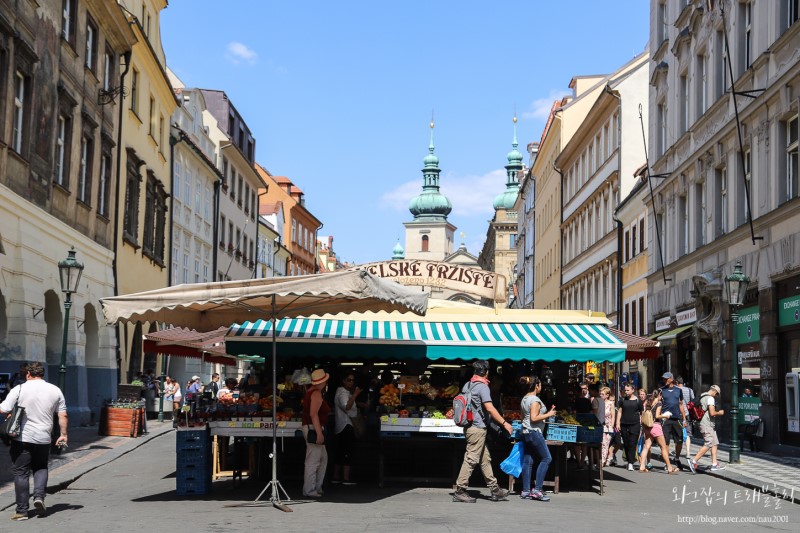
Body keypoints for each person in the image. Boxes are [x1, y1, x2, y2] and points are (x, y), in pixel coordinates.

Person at [0, 361, 67, 521]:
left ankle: (22, 511)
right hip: (44, 437)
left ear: (28, 374)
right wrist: (63, 434)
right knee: (41, 467)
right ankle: (39, 497)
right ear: (42, 374)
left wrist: (10, 414)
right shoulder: (55, 390)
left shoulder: (20, 388)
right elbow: (62, 415)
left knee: (21, 472)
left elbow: (3, 409)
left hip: (22, 437)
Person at [453, 360, 512, 503]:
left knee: (485, 459)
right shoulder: (483, 387)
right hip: (477, 428)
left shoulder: (468, 384)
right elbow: (490, 408)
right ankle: (460, 490)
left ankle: (495, 489)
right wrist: (504, 424)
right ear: (486, 372)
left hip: (470, 427)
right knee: (471, 459)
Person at [518, 376, 554, 501]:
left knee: (528, 460)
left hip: (525, 431)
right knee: (547, 458)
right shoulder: (534, 400)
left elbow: (522, 418)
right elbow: (533, 418)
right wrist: (548, 414)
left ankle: (526, 490)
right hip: (534, 432)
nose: (541, 387)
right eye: (540, 385)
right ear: (536, 386)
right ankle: (537, 489)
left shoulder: (524, 399)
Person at [302, 369, 331, 498]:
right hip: (313, 428)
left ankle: (316, 487)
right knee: (313, 460)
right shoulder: (316, 393)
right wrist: (319, 433)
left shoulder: (310, 391)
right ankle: (310, 489)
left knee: (322, 458)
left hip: (311, 427)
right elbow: (313, 414)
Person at [688, 385, 726, 473]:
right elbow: (712, 413)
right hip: (707, 424)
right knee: (708, 443)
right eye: (717, 395)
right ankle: (693, 461)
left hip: (705, 424)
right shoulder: (710, 399)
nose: (716, 397)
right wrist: (719, 413)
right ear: (715, 392)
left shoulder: (702, 395)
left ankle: (714, 464)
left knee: (714, 442)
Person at [639, 389, 678, 474]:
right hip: (656, 426)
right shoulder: (659, 403)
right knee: (663, 447)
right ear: (659, 395)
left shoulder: (649, 402)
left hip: (648, 427)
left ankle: (642, 466)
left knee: (646, 447)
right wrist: (665, 415)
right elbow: (657, 415)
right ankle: (669, 467)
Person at [332, 373, 361, 485]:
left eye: (353, 380)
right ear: (343, 381)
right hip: (346, 425)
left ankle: (336, 476)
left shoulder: (344, 393)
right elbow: (346, 406)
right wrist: (355, 395)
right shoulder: (342, 393)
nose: (351, 382)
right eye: (349, 380)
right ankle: (346, 478)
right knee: (347, 451)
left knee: (340, 452)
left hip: (342, 425)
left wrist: (358, 402)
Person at [659, 372, 687, 470]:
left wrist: (684, 419)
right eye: (664, 379)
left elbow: (681, 405)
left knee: (679, 440)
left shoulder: (678, 390)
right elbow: (658, 404)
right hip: (665, 420)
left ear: (671, 379)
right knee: (665, 442)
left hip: (676, 418)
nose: (664, 381)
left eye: (666, 379)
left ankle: (677, 458)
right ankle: (667, 462)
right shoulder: (661, 390)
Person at [614, 382, 642, 471]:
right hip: (624, 424)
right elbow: (619, 412)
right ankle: (628, 460)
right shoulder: (622, 400)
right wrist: (617, 423)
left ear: (633, 390)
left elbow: (641, 413)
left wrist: (640, 423)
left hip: (635, 424)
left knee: (633, 443)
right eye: (625, 390)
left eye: (628, 390)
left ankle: (631, 462)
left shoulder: (638, 401)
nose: (626, 392)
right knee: (626, 443)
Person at [596, 386, 615, 468]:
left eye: (603, 394)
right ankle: (602, 460)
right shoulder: (598, 402)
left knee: (605, 444)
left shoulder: (610, 403)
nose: (601, 395)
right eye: (600, 394)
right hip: (598, 425)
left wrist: (612, 425)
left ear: (607, 395)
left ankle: (602, 461)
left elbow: (613, 415)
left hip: (607, 426)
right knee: (599, 444)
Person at [676, 376, 695, 459]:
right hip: (687, 414)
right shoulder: (689, 390)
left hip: (677, 414)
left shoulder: (675, 390)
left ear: (676, 382)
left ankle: (677, 453)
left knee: (677, 434)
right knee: (687, 434)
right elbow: (693, 401)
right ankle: (688, 452)